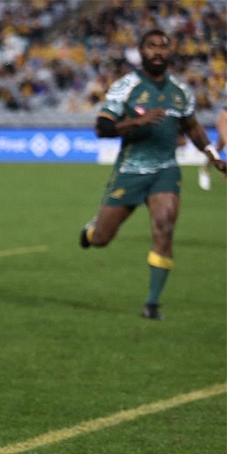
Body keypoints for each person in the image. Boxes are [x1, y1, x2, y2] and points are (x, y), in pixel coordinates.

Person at [78, 29, 226, 321]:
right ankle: (91, 231)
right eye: (151, 46)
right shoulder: (125, 86)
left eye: (163, 46)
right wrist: (137, 122)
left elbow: (192, 127)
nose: (158, 51)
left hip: (165, 170)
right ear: (141, 51)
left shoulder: (180, 92)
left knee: (164, 226)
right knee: (103, 238)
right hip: (130, 171)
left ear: (170, 52)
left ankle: (152, 304)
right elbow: (102, 128)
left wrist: (213, 155)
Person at [197, 89, 226, 191]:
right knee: (221, 146)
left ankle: (205, 168)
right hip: (225, 119)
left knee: (219, 147)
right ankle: (205, 170)